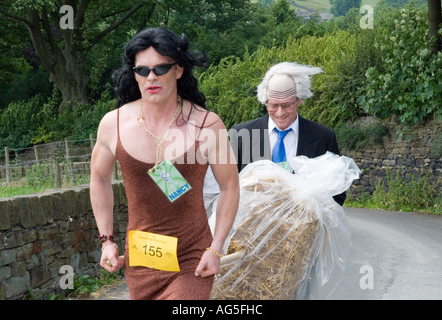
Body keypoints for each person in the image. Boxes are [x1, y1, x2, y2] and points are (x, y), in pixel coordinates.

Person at [90, 27, 239, 300]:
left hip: (191, 256)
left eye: (161, 68)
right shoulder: (113, 124)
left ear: (179, 70)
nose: (151, 77)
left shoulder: (207, 124)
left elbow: (230, 186)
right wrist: (107, 240)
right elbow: (99, 180)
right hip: (143, 258)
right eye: (142, 70)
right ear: (134, 74)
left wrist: (216, 248)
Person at [229, 61, 346, 206]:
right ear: (265, 101)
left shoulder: (323, 137)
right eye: (273, 105)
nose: (280, 113)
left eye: (286, 105)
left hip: (304, 226)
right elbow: (227, 186)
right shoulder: (241, 135)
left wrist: (311, 212)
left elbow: (337, 193)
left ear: (298, 101)